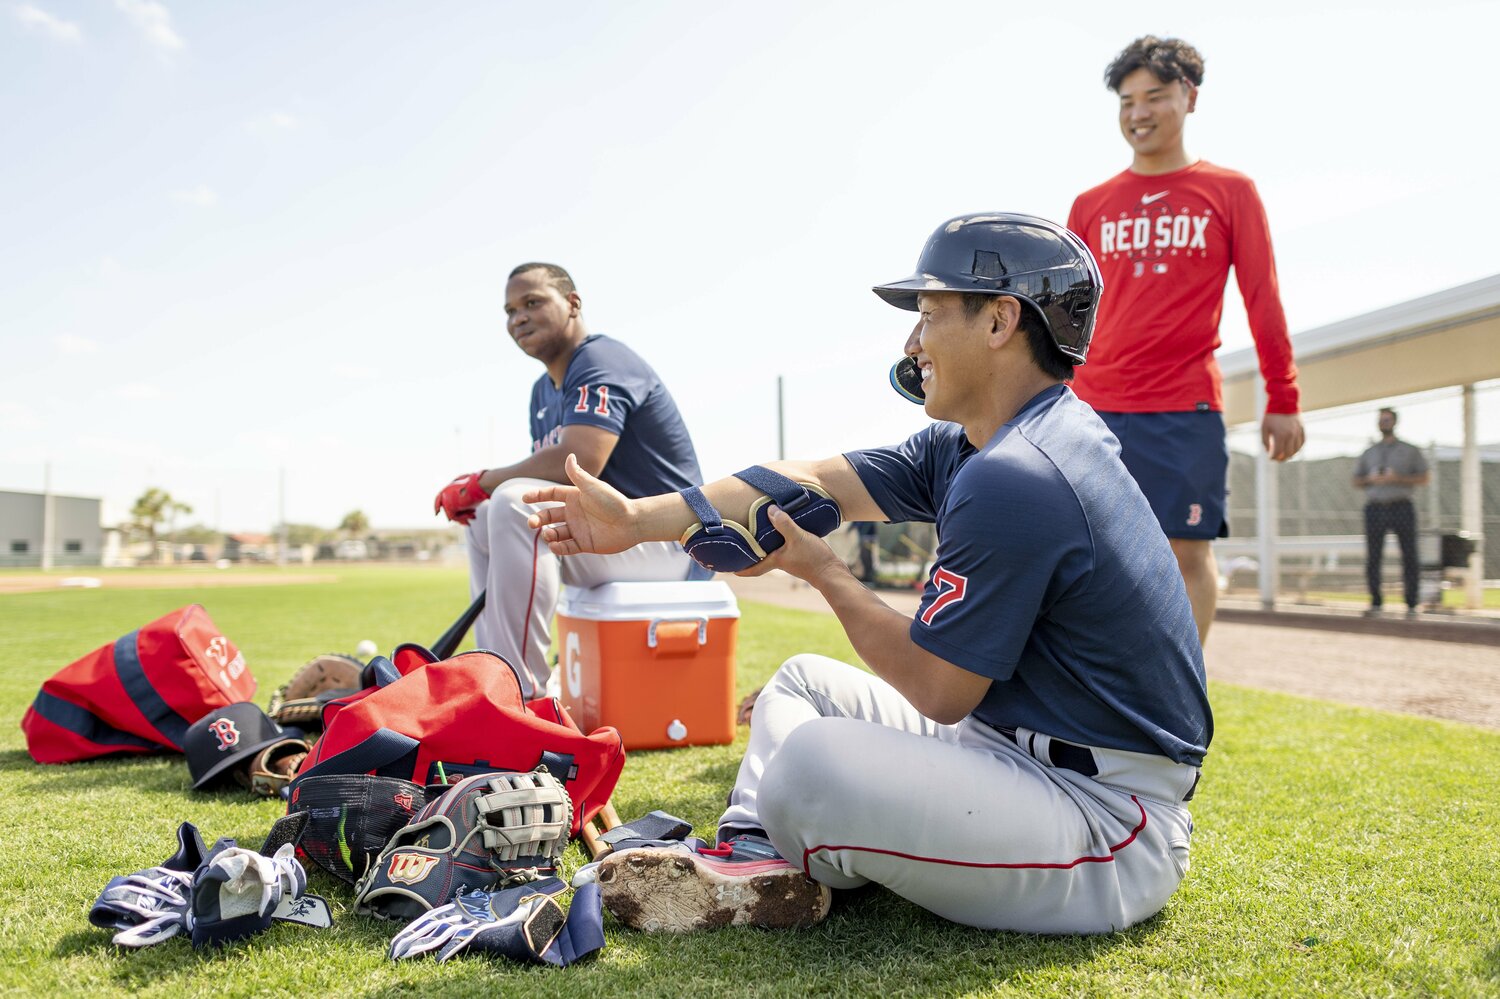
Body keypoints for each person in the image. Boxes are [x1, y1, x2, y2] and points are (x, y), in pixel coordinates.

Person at [524, 214, 1211, 935]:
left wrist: (827, 574)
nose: (912, 343)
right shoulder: (984, 441)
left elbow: (939, 689)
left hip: (1103, 818)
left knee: (811, 765)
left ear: (1002, 320)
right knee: (800, 681)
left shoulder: (1024, 471)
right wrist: (638, 519)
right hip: (1011, 751)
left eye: (928, 314)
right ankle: (754, 856)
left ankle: (781, 839)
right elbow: (805, 479)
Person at [1067, 36, 1306, 644]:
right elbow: (1062, 315)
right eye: (1126, 100)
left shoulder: (1230, 192)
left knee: (1185, 556)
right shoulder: (1090, 206)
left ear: (1189, 97)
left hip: (1183, 406)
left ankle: (1180, 701)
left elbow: (1263, 299)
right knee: (1081, 557)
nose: (1138, 112)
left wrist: (1284, 398)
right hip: (1090, 406)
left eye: (1154, 96)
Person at [433, 262, 705, 698]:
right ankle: (491, 677)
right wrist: (483, 491)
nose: (517, 317)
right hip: (612, 537)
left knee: (513, 502)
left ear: (573, 304)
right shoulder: (542, 391)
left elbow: (581, 463)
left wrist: (482, 480)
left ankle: (521, 695)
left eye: (532, 302)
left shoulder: (602, 358)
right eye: (509, 310)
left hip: (672, 543)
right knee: (484, 514)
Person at [1353, 408, 1430, 617]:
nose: (1384, 423)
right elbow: (1356, 480)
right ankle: (1376, 602)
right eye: (1381, 420)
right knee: (1374, 556)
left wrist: (1397, 478)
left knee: (1410, 555)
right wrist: (1370, 479)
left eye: (1387, 420)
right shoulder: (1369, 452)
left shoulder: (1410, 450)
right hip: (1375, 507)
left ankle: (1412, 603)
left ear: (1395, 422)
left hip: (1401, 506)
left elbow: (1424, 477)